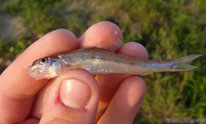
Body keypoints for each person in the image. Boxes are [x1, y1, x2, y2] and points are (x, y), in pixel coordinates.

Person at [0, 21, 148, 124]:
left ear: (57, 61)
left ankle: (167, 65)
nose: (41, 66)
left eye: (44, 62)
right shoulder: (64, 64)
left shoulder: (65, 62)